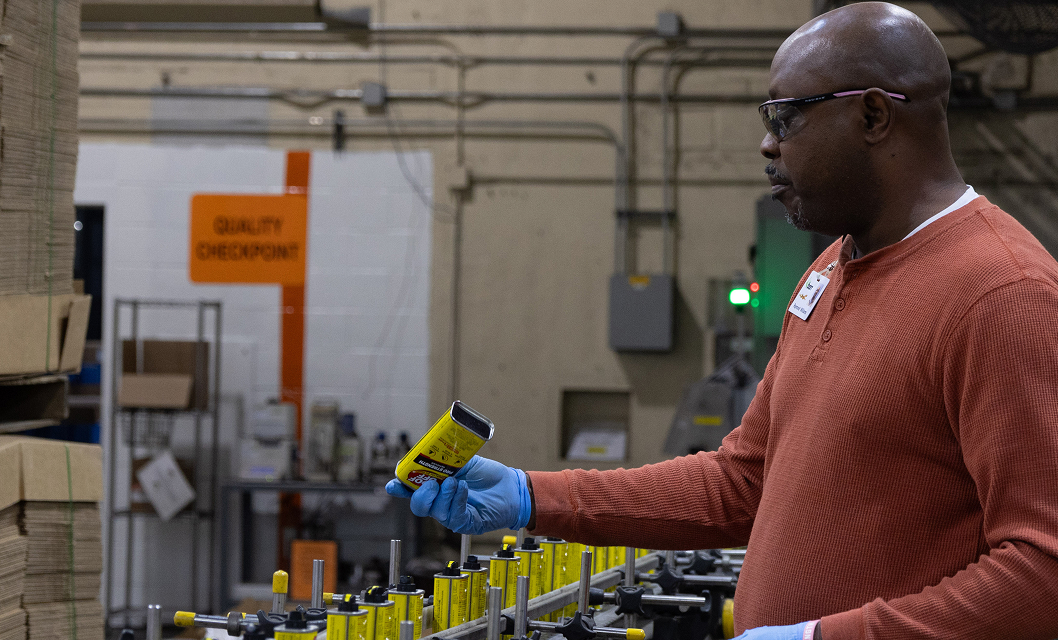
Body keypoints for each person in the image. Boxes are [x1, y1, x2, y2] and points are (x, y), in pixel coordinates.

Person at [388, 3, 1058, 639]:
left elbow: (1041, 573)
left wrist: (825, 636)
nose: (767, 145)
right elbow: (744, 482)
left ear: (875, 115)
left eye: (786, 118)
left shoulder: (1000, 293)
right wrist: (535, 497)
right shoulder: (829, 269)